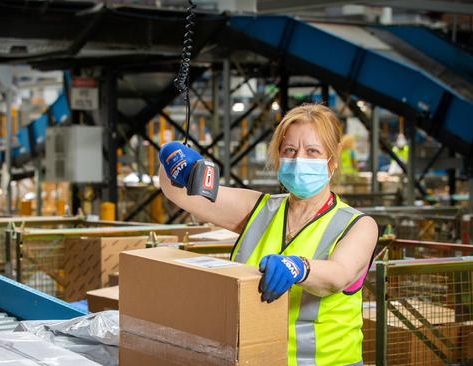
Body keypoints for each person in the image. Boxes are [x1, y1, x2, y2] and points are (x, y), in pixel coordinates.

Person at [159, 103, 377, 365]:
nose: (299, 160)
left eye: (312, 151)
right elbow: (181, 193)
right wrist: (174, 161)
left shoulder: (357, 225)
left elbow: (338, 275)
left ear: (332, 159)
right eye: (290, 150)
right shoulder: (259, 209)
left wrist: (299, 268)